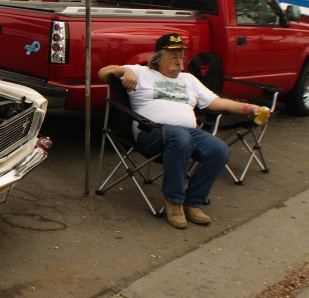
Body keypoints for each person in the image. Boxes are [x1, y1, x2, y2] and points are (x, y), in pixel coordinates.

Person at [98, 33, 270, 230]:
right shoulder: (141, 72)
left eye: (181, 57)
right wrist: (123, 72)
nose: (179, 61)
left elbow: (217, 102)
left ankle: (193, 202)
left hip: (187, 133)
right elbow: (104, 73)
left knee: (219, 149)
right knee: (180, 137)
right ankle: (174, 202)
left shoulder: (189, 79)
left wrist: (250, 109)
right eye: (173, 57)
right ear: (158, 58)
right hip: (151, 133)